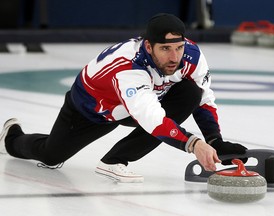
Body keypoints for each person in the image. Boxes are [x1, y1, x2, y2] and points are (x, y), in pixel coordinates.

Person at [0, 13, 247, 183]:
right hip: (92, 109)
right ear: (148, 47)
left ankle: (114, 161)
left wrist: (214, 139)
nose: (174, 57)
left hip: (140, 103)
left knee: (191, 92)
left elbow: (204, 98)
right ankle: (11, 138)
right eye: (165, 49)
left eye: (179, 47)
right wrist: (194, 144)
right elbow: (153, 120)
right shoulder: (128, 68)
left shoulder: (191, 55)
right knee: (51, 156)